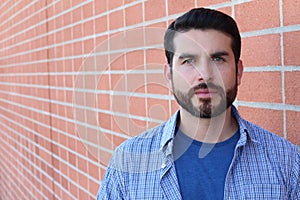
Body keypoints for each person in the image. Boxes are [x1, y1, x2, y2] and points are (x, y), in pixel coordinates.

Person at [96, 8, 300, 199]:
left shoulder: (287, 161)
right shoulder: (128, 163)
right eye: (188, 61)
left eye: (218, 59)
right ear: (169, 76)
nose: (204, 74)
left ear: (238, 72)